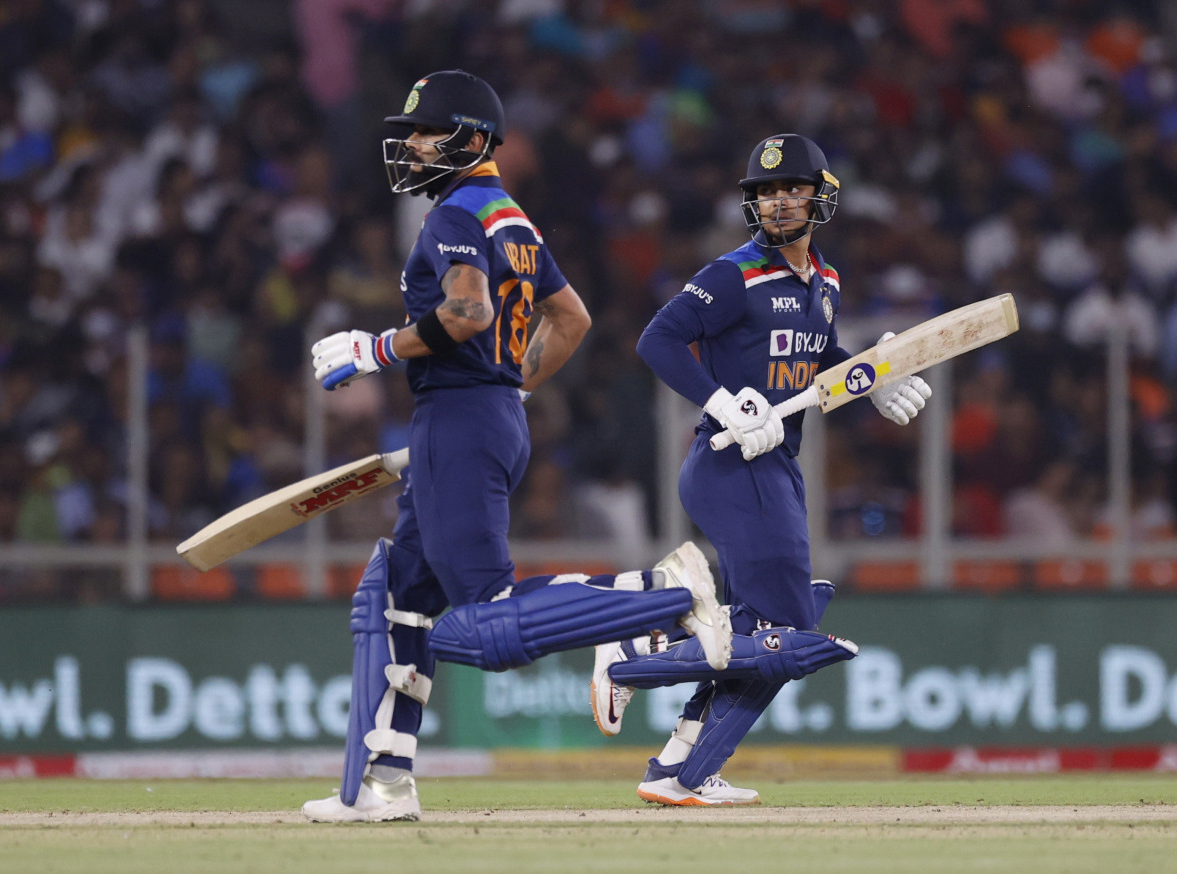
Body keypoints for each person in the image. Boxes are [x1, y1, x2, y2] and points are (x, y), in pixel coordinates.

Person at [300, 70, 733, 823]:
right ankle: (385, 783)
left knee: (482, 622)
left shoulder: (455, 215)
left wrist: (374, 351)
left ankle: (660, 593)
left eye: (423, 134)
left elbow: (464, 311)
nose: (408, 147)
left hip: (459, 421)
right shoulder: (513, 220)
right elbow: (571, 320)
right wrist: (510, 387)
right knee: (398, 595)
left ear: (469, 139)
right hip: (488, 415)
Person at [590, 133, 932, 806]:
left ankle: (680, 764)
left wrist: (872, 377)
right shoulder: (732, 274)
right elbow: (656, 339)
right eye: (765, 193)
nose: (777, 203)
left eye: (791, 189)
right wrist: (724, 402)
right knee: (791, 635)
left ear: (819, 198)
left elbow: (820, 359)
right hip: (728, 462)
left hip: (777, 466)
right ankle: (632, 661)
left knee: (756, 633)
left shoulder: (826, 283)